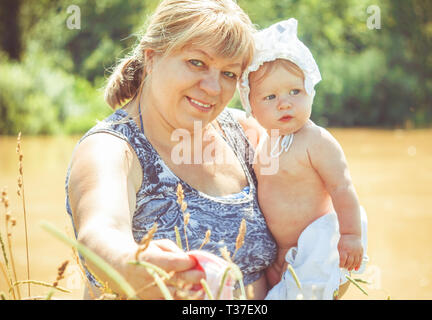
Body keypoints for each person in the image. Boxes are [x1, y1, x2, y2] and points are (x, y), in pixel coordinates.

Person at [65, 0, 277, 300]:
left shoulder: (246, 133)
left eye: (229, 73)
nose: (214, 88)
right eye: (197, 63)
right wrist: (129, 264)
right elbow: (99, 232)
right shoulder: (111, 148)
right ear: (151, 58)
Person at [239, 18, 369, 300]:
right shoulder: (264, 141)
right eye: (270, 97)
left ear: (310, 89)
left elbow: (342, 188)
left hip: (317, 245)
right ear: (250, 105)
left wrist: (350, 236)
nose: (284, 103)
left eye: (294, 92)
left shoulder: (316, 141)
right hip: (281, 251)